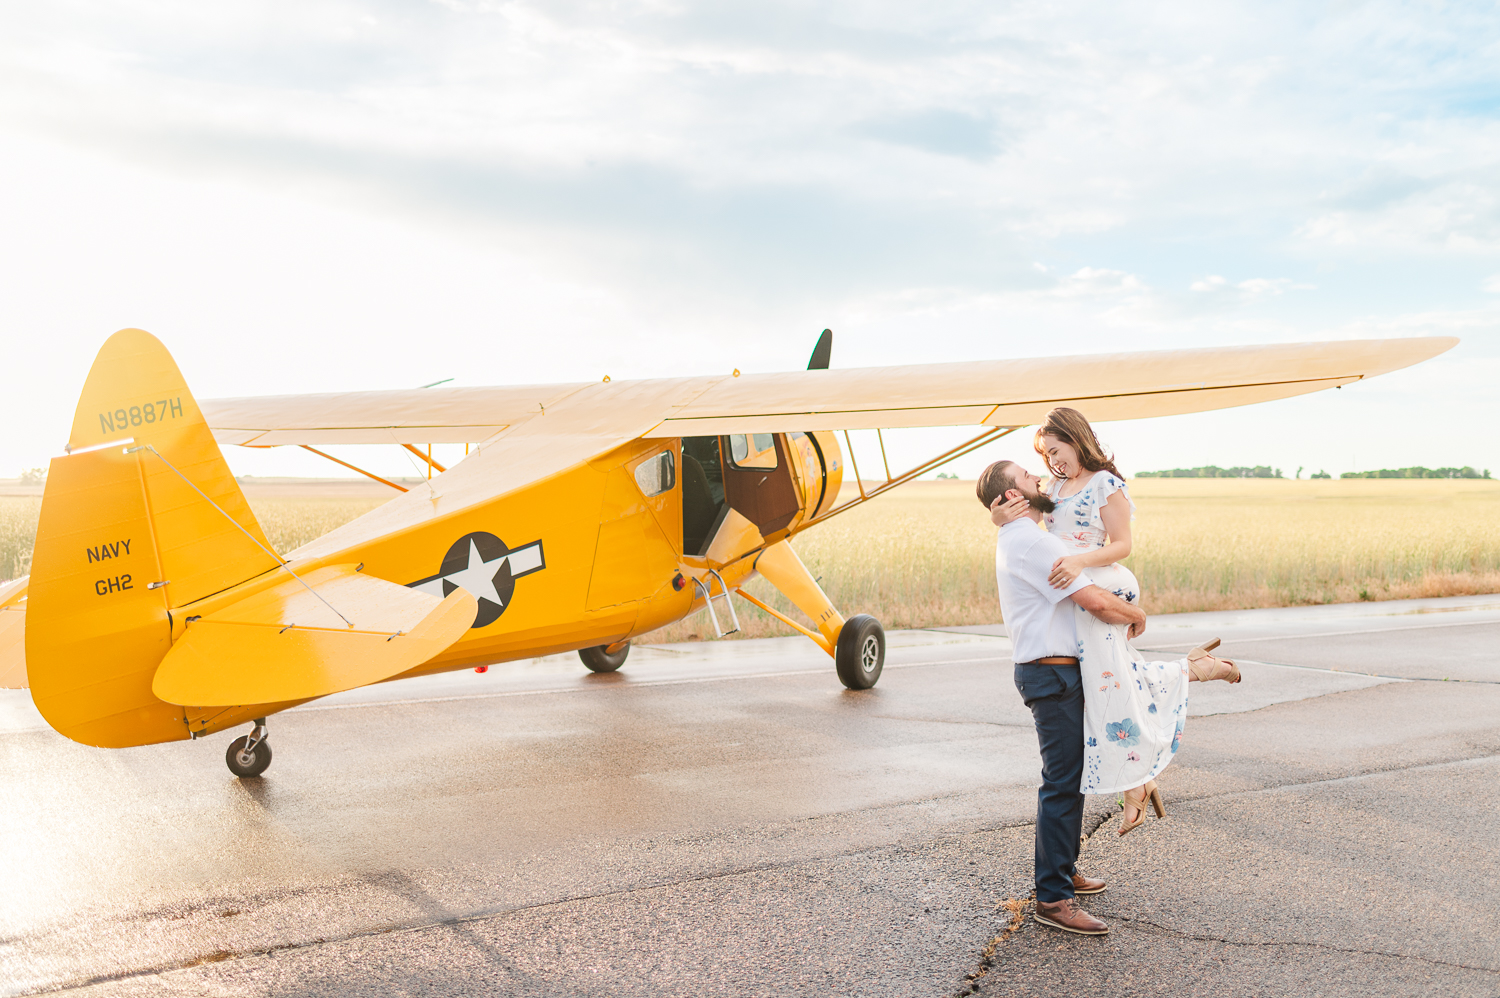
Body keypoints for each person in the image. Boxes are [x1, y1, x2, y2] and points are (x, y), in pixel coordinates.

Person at [989, 408, 1239, 838]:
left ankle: (1138, 783)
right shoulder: (1056, 486)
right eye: (1045, 456)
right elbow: (1024, 517)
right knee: (1112, 681)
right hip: (1073, 581)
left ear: (1076, 438)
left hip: (1100, 579)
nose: (1052, 462)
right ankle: (1190, 673)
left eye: (1056, 450)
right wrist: (998, 517)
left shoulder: (1107, 484)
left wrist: (1078, 562)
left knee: (1109, 682)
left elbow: (1122, 545)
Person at [977, 458, 1147, 936]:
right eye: (1027, 478)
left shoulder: (1018, 535)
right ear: (1012, 497)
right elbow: (1091, 598)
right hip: (1051, 674)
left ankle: (1064, 867)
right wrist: (1137, 613)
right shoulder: (1031, 539)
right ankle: (1053, 897)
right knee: (1062, 783)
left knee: (1069, 780)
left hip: (1051, 671)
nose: (1040, 478)